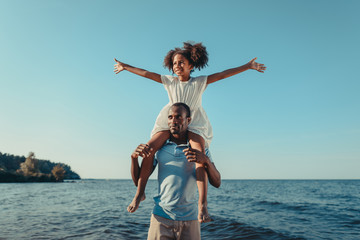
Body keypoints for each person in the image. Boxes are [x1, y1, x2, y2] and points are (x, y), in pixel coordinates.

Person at [114, 41, 266, 222]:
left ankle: (202, 204)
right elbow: (147, 74)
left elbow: (223, 75)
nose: (177, 66)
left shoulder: (199, 82)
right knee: (149, 148)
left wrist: (248, 66)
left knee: (199, 156)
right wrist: (125, 67)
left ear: (191, 65)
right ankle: (140, 193)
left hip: (194, 123)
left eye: (181, 63)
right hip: (170, 119)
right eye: (174, 63)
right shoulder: (169, 81)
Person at [131, 103, 221, 240]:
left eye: (178, 117)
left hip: (190, 220)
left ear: (188, 120)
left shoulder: (201, 149)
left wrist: (206, 161)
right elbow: (138, 180)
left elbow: (217, 182)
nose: (173, 120)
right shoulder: (159, 148)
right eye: (170, 117)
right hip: (161, 217)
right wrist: (133, 159)